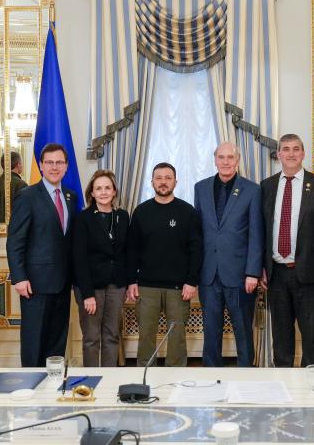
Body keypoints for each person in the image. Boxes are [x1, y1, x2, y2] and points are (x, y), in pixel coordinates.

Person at [261, 134, 314, 367]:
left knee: (312, 336)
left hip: (310, 275)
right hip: (276, 275)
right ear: (279, 155)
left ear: (303, 154)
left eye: (296, 149)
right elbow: (262, 230)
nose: (291, 154)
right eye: (286, 149)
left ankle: (312, 391)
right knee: (281, 337)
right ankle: (283, 389)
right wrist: (261, 267)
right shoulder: (267, 186)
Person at [7, 143, 78, 367]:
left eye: (59, 162)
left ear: (66, 166)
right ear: (41, 165)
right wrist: (19, 277)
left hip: (63, 282)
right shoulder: (26, 196)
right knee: (34, 340)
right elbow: (15, 241)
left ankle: (52, 388)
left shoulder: (70, 196)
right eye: (49, 162)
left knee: (57, 341)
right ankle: (31, 388)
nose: (54, 167)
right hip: (35, 284)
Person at [193, 142, 264, 367]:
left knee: (243, 331)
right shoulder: (201, 188)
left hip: (240, 276)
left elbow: (256, 233)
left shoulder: (252, 190)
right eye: (221, 157)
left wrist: (252, 272)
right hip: (208, 274)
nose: (225, 162)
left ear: (237, 160)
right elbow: (198, 233)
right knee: (210, 331)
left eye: (230, 157)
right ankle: (212, 376)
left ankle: (245, 376)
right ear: (215, 159)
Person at [127, 163, 202, 367]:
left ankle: (175, 380)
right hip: (146, 287)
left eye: (168, 178)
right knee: (146, 336)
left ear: (175, 182)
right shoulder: (141, 212)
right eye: (158, 178)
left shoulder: (188, 212)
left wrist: (191, 281)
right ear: (152, 182)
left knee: (177, 337)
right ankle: (144, 379)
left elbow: (196, 250)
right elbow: (132, 249)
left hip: (179, 288)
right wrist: (131, 281)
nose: (163, 182)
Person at [72, 170, 130, 367]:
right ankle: (90, 381)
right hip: (91, 288)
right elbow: (79, 258)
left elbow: (126, 253)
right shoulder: (83, 218)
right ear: (92, 193)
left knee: (112, 335)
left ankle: (109, 380)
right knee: (91, 338)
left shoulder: (123, 216)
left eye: (107, 188)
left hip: (116, 286)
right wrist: (87, 294)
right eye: (99, 188)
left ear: (114, 192)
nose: (103, 192)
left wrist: (130, 282)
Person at [0, 150, 28, 222]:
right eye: (21, 163)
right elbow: (24, 212)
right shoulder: (21, 184)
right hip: (15, 229)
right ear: (18, 164)